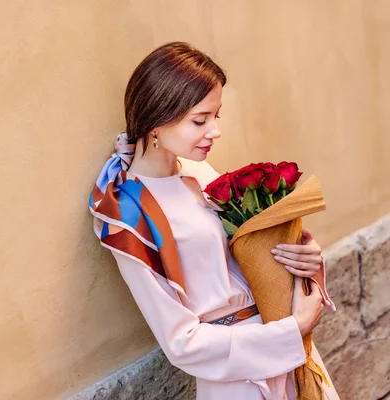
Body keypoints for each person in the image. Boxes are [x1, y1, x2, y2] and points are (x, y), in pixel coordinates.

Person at [88, 42, 340, 400]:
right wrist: (292, 329)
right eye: (200, 120)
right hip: (240, 378)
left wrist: (303, 257)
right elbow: (182, 343)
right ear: (156, 120)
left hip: (291, 351)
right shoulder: (127, 214)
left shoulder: (199, 172)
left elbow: (245, 259)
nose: (214, 131)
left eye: (215, 117)